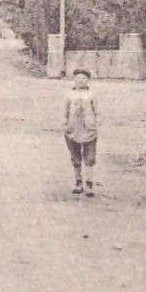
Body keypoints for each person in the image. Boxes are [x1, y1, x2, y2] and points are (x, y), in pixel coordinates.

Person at [62, 69, 101, 197]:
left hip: (89, 130)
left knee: (89, 157)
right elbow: (65, 112)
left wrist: (96, 124)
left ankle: (89, 184)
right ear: (74, 79)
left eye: (84, 78)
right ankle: (78, 182)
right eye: (78, 78)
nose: (81, 81)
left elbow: (98, 112)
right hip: (73, 130)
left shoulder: (92, 95)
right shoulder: (69, 95)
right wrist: (65, 125)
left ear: (88, 80)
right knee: (75, 157)